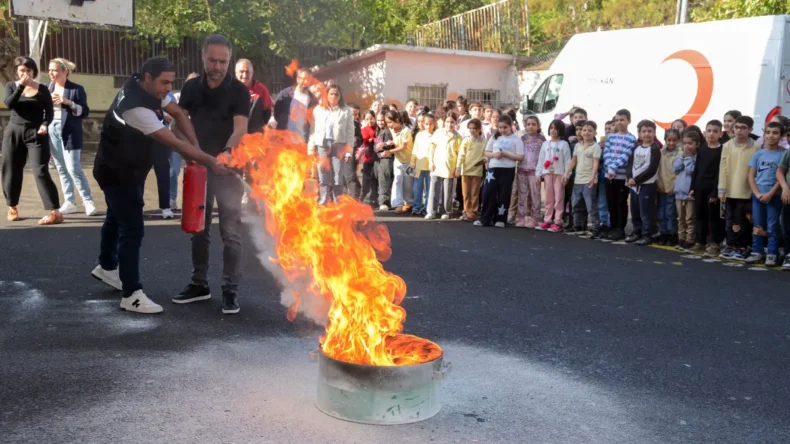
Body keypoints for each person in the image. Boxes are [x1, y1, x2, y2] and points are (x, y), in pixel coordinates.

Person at [90, 56, 229, 314]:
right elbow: (173, 142)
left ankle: (107, 266)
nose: (168, 88)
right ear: (148, 78)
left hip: (121, 167)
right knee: (132, 229)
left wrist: (196, 147)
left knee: (115, 215)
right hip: (118, 172)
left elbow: (177, 113)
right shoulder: (135, 109)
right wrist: (210, 160)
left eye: (171, 82)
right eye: (164, 82)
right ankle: (131, 294)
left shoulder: (144, 87)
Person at [172, 34, 251, 314]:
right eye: (212, 60)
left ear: (229, 61)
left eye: (223, 61)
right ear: (203, 57)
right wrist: (188, 154)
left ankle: (230, 289)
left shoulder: (239, 91)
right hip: (200, 170)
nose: (217, 66)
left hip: (229, 170)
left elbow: (240, 128)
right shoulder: (191, 87)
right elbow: (178, 123)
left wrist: (227, 153)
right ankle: (199, 284)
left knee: (231, 233)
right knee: (198, 230)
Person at [2, 56, 62, 225]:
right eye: (22, 70)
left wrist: (45, 124)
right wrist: (21, 86)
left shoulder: (42, 89)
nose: (26, 73)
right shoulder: (11, 86)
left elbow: (49, 113)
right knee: (11, 169)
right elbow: (9, 104)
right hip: (14, 132)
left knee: (40, 171)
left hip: (37, 133)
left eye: (29, 70)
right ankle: (12, 206)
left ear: (34, 71)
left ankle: (55, 212)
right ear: (16, 72)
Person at [45, 57, 96, 217]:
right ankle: (69, 202)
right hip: (52, 128)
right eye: (50, 70)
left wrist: (69, 102)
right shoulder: (47, 88)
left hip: (70, 131)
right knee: (61, 168)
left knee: (73, 167)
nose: (51, 73)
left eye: (55, 70)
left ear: (65, 71)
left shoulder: (76, 89)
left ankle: (88, 201)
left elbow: (85, 111)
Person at [718, 115, 759, 261]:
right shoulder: (727, 145)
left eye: (743, 128)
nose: (739, 131)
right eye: (737, 127)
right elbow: (723, 167)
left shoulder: (756, 147)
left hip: (747, 190)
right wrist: (721, 188)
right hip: (729, 190)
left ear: (750, 129)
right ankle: (731, 245)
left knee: (743, 220)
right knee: (730, 220)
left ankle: (743, 247)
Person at [745, 121, 785, 266]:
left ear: (781, 136)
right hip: (758, 196)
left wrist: (770, 194)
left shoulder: (782, 155)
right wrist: (757, 193)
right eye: (768, 133)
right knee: (758, 224)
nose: (771, 136)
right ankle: (757, 251)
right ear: (764, 134)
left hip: (774, 196)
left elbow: (781, 177)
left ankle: (772, 253)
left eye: (775, 133)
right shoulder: (758, 154)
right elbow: (751, 176)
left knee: (772, 225)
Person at [308, 84, 355, 205]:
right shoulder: (318, 109)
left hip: (339, 145)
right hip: (322, 144)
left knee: (338, 176)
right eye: (331, 93)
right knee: (323, 174)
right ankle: (323, 201)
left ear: (340, 96)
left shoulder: (346, 111)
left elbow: (350, 131)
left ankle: (337, 203)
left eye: (336, 94)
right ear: (326, 95)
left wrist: (349, 150)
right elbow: (313, 130)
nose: (334, 96)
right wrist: (311, 147)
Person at [474, 114, 524, 228]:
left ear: (511, 126)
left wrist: (506, 154)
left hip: (507, 170)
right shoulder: (494, 137)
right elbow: (487, 152)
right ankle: (485, 218)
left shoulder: (516, 140)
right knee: (488, 193)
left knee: (504, 194)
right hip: (493, 169)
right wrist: (494, 155)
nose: (502, 130)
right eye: (500, 127)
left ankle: (500, 218)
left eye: (505, 127)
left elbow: (520, 156)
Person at [692, 120, 726, 256]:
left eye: (715, 131)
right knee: (700, 215)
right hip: (700, 187)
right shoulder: (702, 150)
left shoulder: (722, 150)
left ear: (720, 133)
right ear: (705, 133)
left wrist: (715, 192)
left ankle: (714, 243)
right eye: (709, 131)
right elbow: (696, 170)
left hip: (714, 188)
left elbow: (720, 172)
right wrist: (693, 187)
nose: (711, 134)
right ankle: (700, 241)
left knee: (714, 217)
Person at [625, 120, 662, 246]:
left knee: (646, 211)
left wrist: (637, 180)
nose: (647, 134)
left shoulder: (654, 148)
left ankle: (648, 234)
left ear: (654, 133)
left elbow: (652, 168)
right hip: (634, 185)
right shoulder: (637, 148)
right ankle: (637, 232)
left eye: (650, 131)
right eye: (644, 131)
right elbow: (630, 164)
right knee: (635, 210)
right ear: (639, 134)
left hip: (647, 185)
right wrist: (629, 176)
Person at [603, 109, 637, 241]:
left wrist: (613, 168)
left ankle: (620, 228)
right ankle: (613, 227)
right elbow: (606, 153)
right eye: (617, 120)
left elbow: (625, 156)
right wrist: (609, 169)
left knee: (620, 202)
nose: (619, 123)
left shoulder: (631, 138)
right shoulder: (611, 137)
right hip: (609, 175)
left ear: (628, 121)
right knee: (611, 202)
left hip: (621, 177)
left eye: (622, 120)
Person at [564, 120, 601, 237]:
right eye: (584, 130)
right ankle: (578, 225)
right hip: (577, 180)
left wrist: (592, 177)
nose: (586, 133)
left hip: (589, 181)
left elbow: (596, 163)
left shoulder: (596, 147)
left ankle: (596, 227)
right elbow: (574, 160)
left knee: (591, 206)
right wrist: (566, 173)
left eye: (590, 131)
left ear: (595, 133)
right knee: (575, 204)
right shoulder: (578, 146)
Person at [169, 72, 200, 210]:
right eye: (190, 83)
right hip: (176, 140)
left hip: (193, 142)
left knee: (195, 171)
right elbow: (171, 120)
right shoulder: (176, 98)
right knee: (173, 171)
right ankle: (172, 198)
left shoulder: (201, 101)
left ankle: (196, 201)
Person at [535, 119, 571, 232]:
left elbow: (567, 161)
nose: (553, 130)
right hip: (547, 173)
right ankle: (547, 220)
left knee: (559, 198)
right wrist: (538, 173)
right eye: (551, 128)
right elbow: (541, 159)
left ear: (560, 130)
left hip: (559, 174)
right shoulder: (546, 144)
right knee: (548, 198)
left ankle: (558, 221)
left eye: (556, 128)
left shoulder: (564, 144)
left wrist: (567, 174)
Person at [426, 112, 462, 220]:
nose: (449, 124)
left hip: (449, 167)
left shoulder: (458, 137)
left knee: (448, 191)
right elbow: (431, 148)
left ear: (456, 123)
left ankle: (447, 211)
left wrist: (458, 168)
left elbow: (460, 155)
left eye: (452, 122)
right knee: (434, 189)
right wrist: (431, 162)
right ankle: (432, 211)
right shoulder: (438, 133)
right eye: (447, 121)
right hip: (437, 165)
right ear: (444, 122)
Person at [270, 68, 318, 142]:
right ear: (298, 79)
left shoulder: (313, 100)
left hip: (302, 142)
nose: (307, 81)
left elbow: (313, 123)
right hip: (284, 140)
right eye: (304, 79)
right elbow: (277, 114)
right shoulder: (285, 94)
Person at [516, 115, 545, 228]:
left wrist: (541, 170)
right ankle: (521, 217)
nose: (531, 127)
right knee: (522, 194)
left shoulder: (541, 139)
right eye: (528, 124)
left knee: (535, 195)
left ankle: (535, 217)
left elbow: (544, 155)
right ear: (525, 125)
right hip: (522, 169)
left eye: (533, 124)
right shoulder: (522, 139)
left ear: (538, 126)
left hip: (535, 171)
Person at [456, 118, 486, 221]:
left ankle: (473, 212)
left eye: (474, 128)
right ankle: (466, 211)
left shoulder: (484, 141)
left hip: (477, 171)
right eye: (470, 128)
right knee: (466, 193)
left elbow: (486, 154)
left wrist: (483, 162)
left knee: (475, 193)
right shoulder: (466, 140)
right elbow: (461, 154)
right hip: (466, 170)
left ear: (479, 129)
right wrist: (458, 167)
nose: (472, 130)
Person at [673, 131, 698, 250]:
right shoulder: (681, 155)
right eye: (684, 143)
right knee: (680, 218)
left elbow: (691, 171)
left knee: (689, 218)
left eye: (690, 143)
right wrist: (681, 157)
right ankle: (681, 238)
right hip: (679, 192)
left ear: (696, 145)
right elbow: (675, 169)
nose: (687, 146)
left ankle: (690, 239)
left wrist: (687, 158)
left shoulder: (696, 157)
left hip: (690, 194)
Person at [656, 128, 681, 245]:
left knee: (670, 213)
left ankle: (672, 235)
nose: (671, 143)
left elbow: (680, 173)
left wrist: (674, 187)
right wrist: (658, 184)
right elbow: (657, 170)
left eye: (674, 140)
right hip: (661, 187)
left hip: (672, 189)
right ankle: (663, 233)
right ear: (665, 140)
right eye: (669, 140)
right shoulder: (661, 153)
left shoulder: (680, 154)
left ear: (678, 140)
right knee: (661, 212)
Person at [386, 110, 414, 213]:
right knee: (397, 181)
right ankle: (397, 204)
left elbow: (403, 146)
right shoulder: (393, 130)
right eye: (387, 123)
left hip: (408, 162)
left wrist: (390, 151)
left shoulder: (406, 131)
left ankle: (409, 203)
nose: (389, 125)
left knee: (408, 183)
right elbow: (397, 143)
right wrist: (391, 143)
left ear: (397, 120)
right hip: (398, 160)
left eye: (390, 122)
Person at [235, 58, 272, 134]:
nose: (245, 75)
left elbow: (267, 111)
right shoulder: (229, 89)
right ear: (236, 73)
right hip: (234, 138)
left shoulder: (261, 89)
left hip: (255, 139)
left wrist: (257, 128)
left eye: (247, 72)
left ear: (252, 73)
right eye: (241, 72)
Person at [410, 112, 436, 216]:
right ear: (423, 124)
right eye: (426, 124)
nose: (428, 126)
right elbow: (415, 150)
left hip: (431, 167)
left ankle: (427, 207)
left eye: (430, 124)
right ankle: (416, 207)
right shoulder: (419, 135)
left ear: (434, 124)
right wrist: (412, 163)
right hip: (419, 166)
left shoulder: (436, 135)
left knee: (430, 188)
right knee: (417, 188)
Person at [374, 111, 395, 210]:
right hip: (381, 159)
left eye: (382, 120)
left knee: (384, 180)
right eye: (378, 120)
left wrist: (384, 146)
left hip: (386, 159)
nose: (380, 122)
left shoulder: (387, 131)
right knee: (382, 180)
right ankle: (384, 201)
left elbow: (389, 144)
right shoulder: (379, 131)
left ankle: (384, 202)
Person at [775, 133, 790, 270]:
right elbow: (780, 171)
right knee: (787, 227)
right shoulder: (789, 151)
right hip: (788, 195)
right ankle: (788, 254)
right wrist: (785, 187)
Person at [358, 110, 379, 207]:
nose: (369, 121)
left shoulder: (378, 128)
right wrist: (372, 140)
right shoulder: (364, 129)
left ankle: (374, 198)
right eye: (367, 119)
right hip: (367, 158)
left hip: (377, 158)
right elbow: (365, 140)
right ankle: (362, 197)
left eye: (371, 118)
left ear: (375, 118)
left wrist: (373, 139)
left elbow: (378, 139)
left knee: (375, 179)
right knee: (366, 179)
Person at [344, 102, 363, 200]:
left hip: (352, 152)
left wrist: (356, 140)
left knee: (350, 175)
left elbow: (361, 139)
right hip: (340, 151)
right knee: (342, 177)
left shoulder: (356, 124)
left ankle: (354, 197)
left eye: (356, 114)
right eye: (352, 114)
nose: (354, 116)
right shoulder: (341, 122)